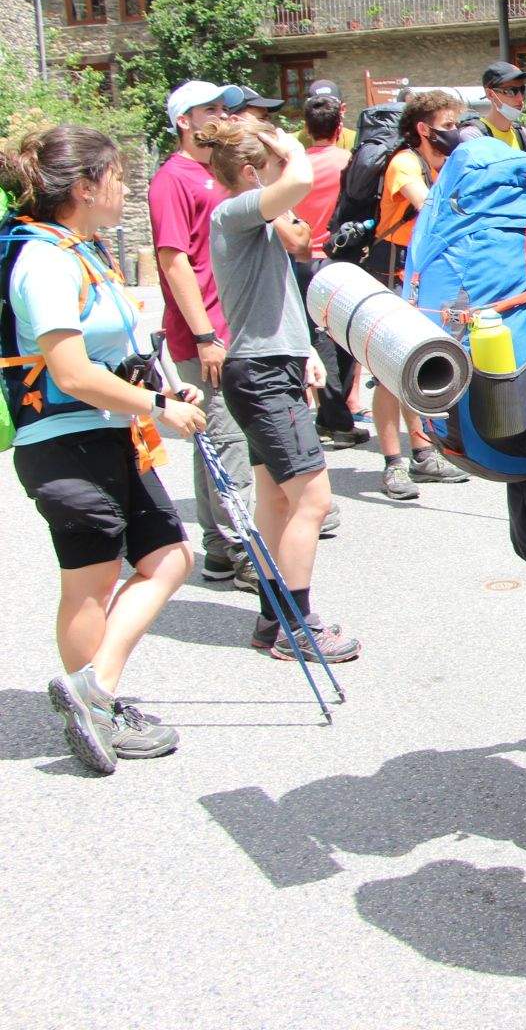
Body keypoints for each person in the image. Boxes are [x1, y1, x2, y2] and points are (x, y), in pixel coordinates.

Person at [3, 125, 207, 774]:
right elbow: (70, 373)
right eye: (117, 177)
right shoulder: (45, 262)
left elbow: (108, 350)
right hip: (68, 445)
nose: (124, 189)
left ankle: (92, 689)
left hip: (107, 437)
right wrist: (158, 406)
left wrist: (156, 389)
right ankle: (96, 702)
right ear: (86, 188)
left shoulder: (77, 248)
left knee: (169, 557)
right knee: (90, 587)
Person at [197, 118, 361, 663]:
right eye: (267, 168)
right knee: (314, 499)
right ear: (250, 173)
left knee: (275, 497)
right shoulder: (234, 210)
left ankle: (273, 619)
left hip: (270, 366)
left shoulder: (253, 221)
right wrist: (289, 146)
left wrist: (306, 352)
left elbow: (280, 283)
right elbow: (297, 185)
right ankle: (299, 624)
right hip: (263, 376)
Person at [149, 80, 258, 592]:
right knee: (227, 437)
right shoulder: (172, 178)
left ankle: (218, 549)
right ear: (183, 122)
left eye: (222, 107)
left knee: (212, 438)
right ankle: (241, 552)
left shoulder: (214, 171)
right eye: (207, 109)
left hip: (228, 324)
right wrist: (204, 334)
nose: (220, 115)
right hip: (205, 332)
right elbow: (173, 260)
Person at [368, 89, 471, 500]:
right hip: (391, 275)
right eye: (447, 126)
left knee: (415, 364)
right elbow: (428, 207)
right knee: (388, 373)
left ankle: (423, 451)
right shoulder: (405, 163)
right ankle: (393, 463)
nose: (454, 133)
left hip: (420, 278)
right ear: (424, 129)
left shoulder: (439, 163)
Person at [293, 93, 364, 450]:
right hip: (340, 258)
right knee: (344, 340)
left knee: (315, 339)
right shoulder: (349, 163)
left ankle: (328, 416)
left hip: (302, 260)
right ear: (340, 127)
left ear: (307, 128)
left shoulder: (295, 167)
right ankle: (338, 421)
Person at [480, 61, 526, 151]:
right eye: (511, 91)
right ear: (490, 94)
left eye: (522, 89)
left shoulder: (525, 136)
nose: (520, 98)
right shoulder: (475, 135)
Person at [295, 81, 356, 151]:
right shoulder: (290, 143)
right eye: (317, 106)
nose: (322, 112)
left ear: (342, 109)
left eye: (329, 107)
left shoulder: (356, 141)